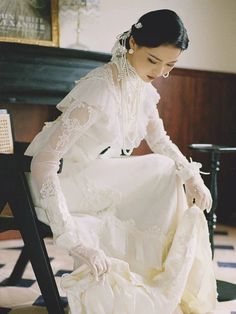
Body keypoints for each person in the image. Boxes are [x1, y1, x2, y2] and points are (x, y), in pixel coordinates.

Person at [25, 9, 217, 314]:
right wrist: (71, 237)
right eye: (154, 60)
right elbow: (43, 163)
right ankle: (144, 282)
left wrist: (192, 175)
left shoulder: (142, 88)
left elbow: (160, 141)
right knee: (162, 171)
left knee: (168, 169)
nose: (160, 72)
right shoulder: (99, 88)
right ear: (133, 43)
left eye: (170, 65)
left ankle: (156, 283)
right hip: (57, 180)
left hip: (93, 174)